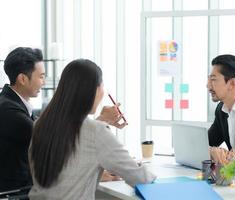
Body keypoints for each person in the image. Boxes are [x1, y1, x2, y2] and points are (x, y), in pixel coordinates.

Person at [28, 59, 156, 199]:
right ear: (93, 90)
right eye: (102, 86)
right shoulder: (96, 131)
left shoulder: (40, 125)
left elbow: (68, 162)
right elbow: (140, 178)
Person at [0, 47, 45, 192]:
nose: (43, 82)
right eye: (41, 76)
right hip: (13, 193)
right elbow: (47, 137)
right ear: (23, 79)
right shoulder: (8, 109)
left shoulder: (13, 103)